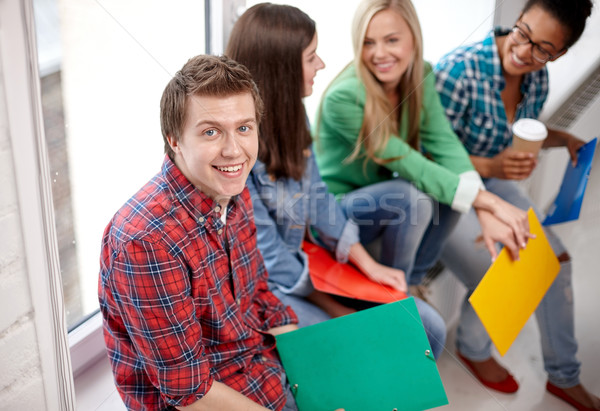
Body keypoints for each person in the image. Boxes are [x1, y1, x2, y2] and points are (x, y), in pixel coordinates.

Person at [225, 2, 447, 359]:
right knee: (360, 348)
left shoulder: (293, 114)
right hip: (266, 291)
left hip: (304, 268)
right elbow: (267, 259)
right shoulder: (235, 152)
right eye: (311, 57)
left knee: (429, 329)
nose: (322, 65)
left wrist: (368, 264)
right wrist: (333, 307)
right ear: (281, 70)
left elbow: (319, 197)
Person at [315, 0, 531, 356]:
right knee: (410, 194)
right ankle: (394, 306)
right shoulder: (345, 97)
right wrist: (489, 201)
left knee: (445, 191)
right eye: (368, 42)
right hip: (336, 212)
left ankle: (411, 283)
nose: (379, 53)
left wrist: (484, 207)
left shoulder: (421, 75)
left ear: (413, 38)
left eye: (391, 40)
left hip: (379, 197)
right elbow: (404, 159)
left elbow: (444, 142)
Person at [98, 55, 300, 411]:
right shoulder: (146, 241)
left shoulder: (230, 188)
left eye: (244, 128)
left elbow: (260, 298)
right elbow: (189, 393)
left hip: (261, 368)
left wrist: (319, 372)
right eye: (211, 131)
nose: (233, 150)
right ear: (174, 139)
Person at [434, 0, 599, 408]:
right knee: (508, 264)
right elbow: (429, 158)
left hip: (492, 181)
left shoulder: (536, 79)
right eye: (523, 33)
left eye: (543, 48)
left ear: (558, 54)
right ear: (516, 20)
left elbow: (524, 132)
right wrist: (491, 168)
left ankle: (564, 376)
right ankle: (472, 348)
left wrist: (563, 139)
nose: (525, 52)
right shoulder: (459, 70)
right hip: (443, 192)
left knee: (555, 260)